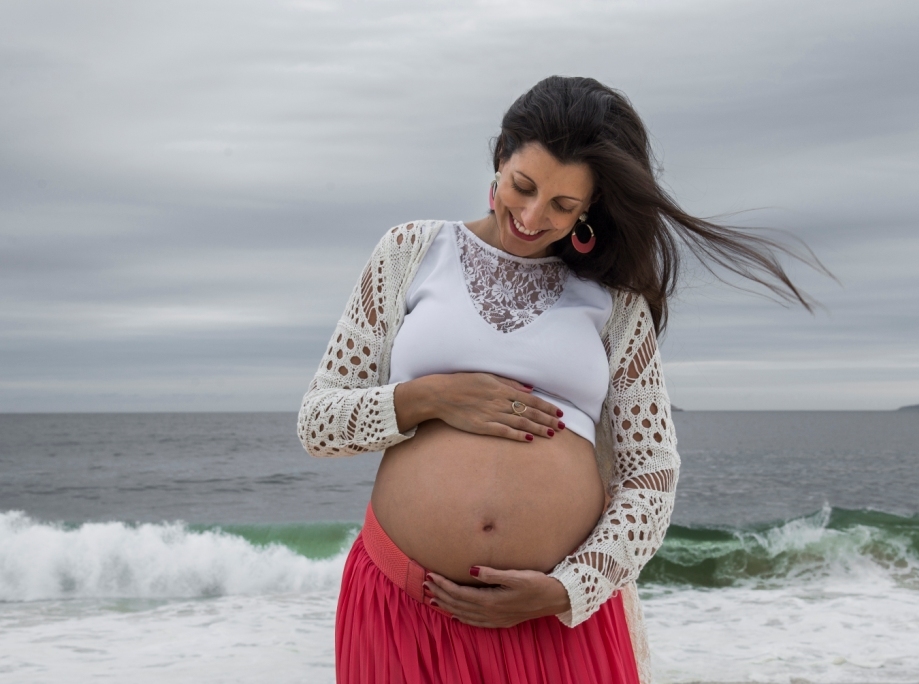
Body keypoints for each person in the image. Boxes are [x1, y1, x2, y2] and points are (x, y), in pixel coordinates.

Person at [298, 76, 818, 684]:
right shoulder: (410, 251)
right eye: (522, 186)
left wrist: (569, 588)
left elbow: (651, 473)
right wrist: (432, 397)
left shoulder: (615, 301)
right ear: (499, 160)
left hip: (552, 623)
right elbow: (319, 424)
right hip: (405, 609)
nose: (530, 215)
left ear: (589, 210)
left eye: (562, 206)